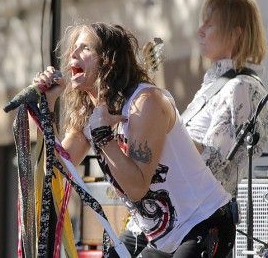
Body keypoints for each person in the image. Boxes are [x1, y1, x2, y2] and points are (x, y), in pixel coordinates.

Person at [34, 22, 235, 257]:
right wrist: (46, 105)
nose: (73, 54)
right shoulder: (90, 113)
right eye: (73, 49)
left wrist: (102, 134)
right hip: (162, 237)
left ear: (108, 60)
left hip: (203, 221)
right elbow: (56, 168)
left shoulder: (145, 102)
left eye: (85, 48)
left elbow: (137, 188)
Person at [121, 0, 268, 257]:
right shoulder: (214, 83)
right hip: (163, 218)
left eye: (209, 24)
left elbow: (212, 165)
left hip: (195, 222)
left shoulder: (242, 88)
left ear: (236, 33)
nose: (200, 31)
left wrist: (161, 122)